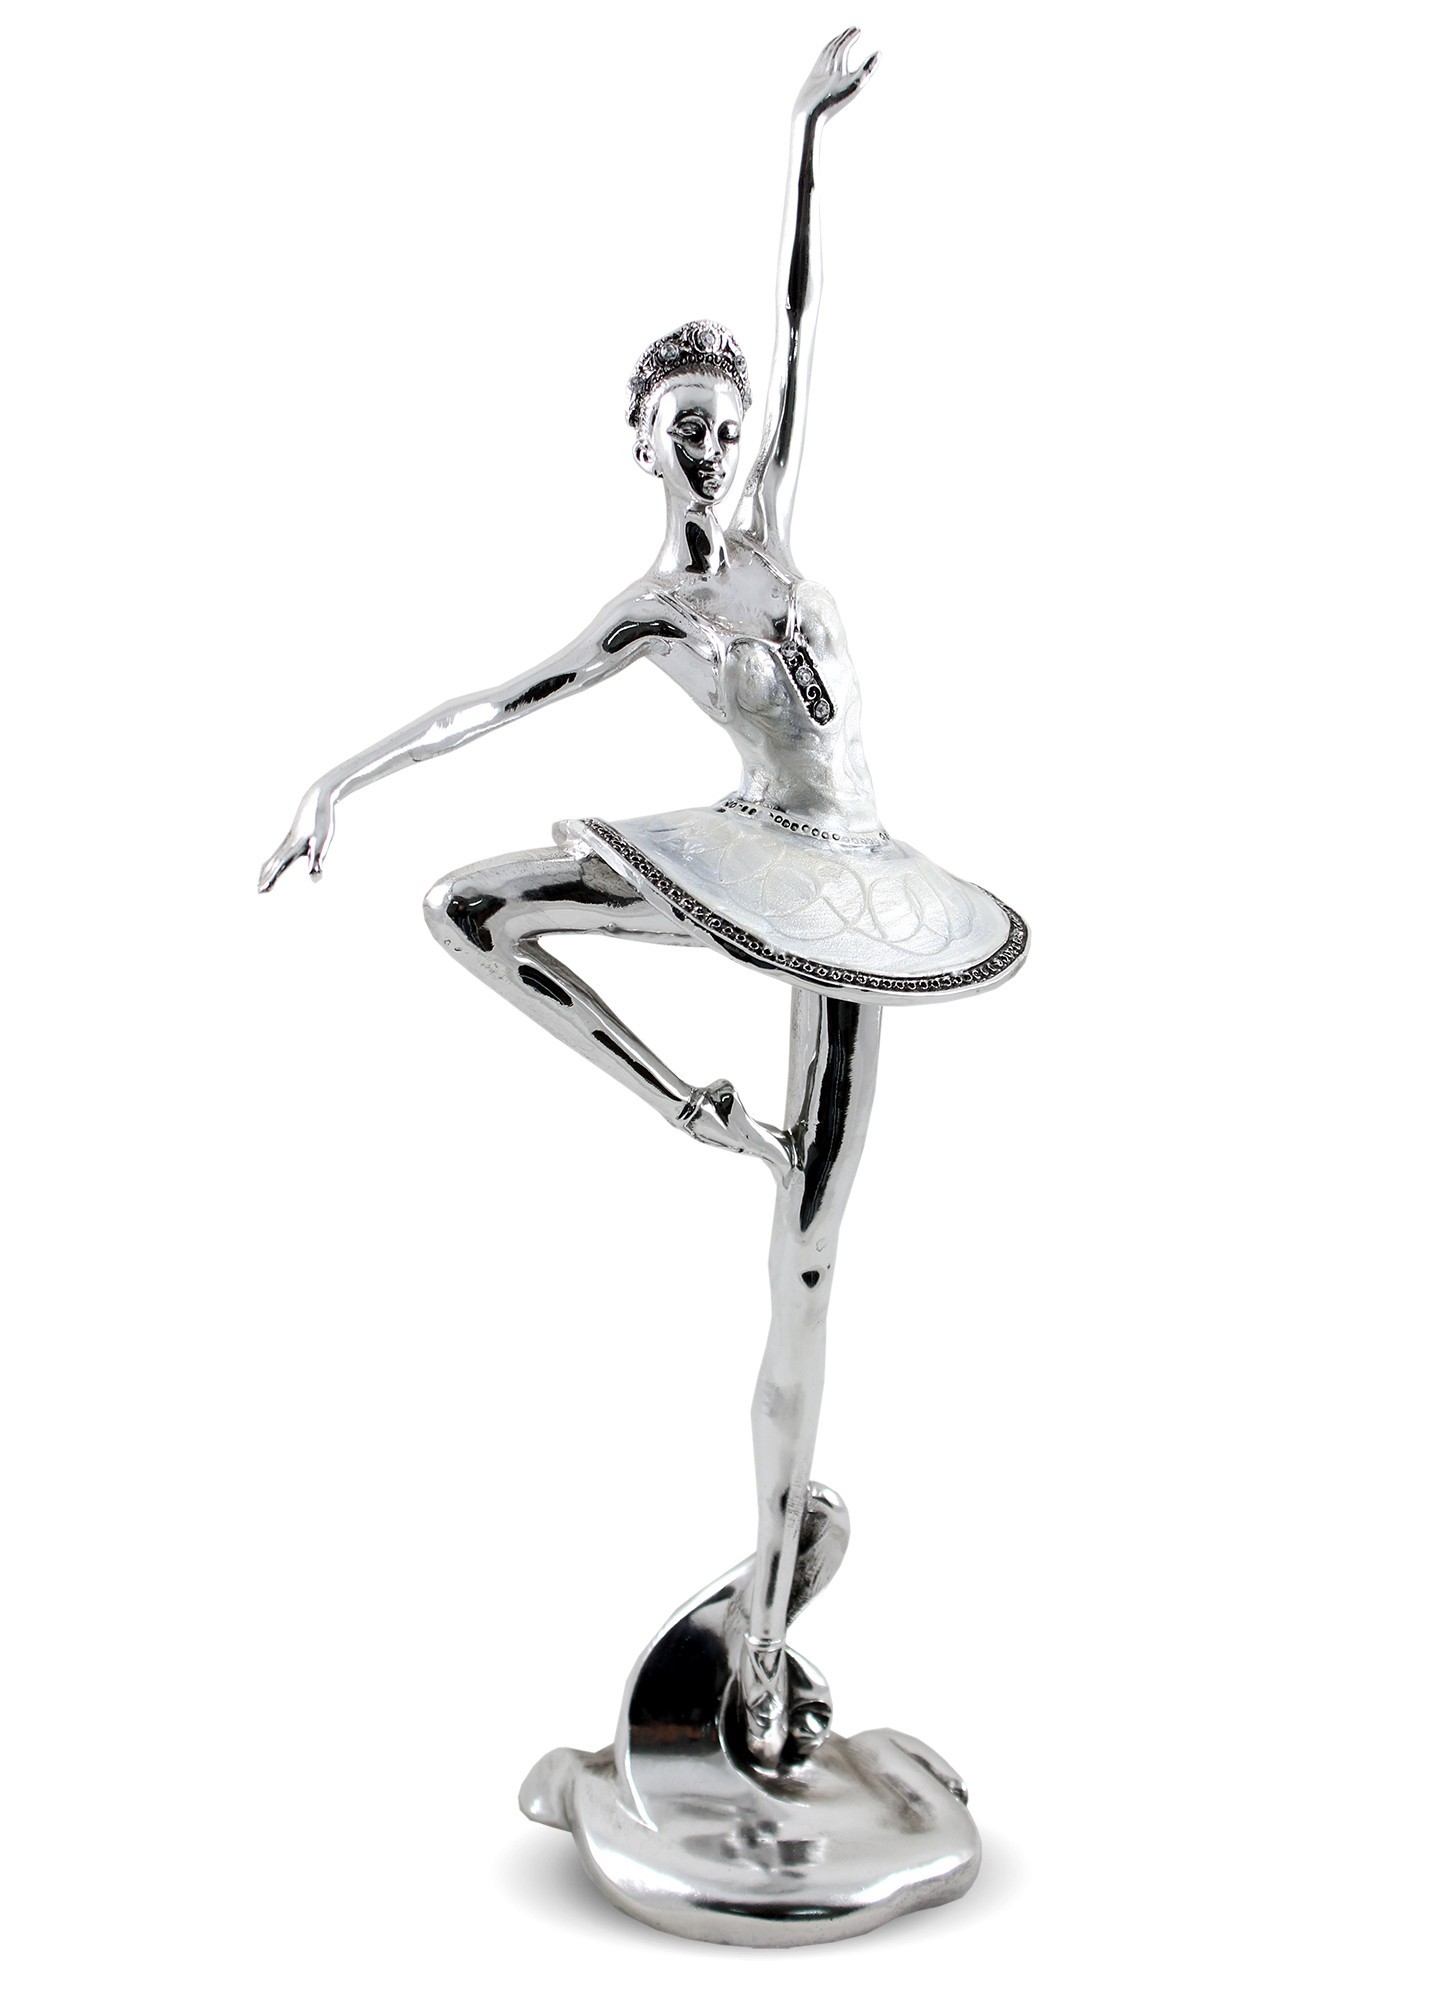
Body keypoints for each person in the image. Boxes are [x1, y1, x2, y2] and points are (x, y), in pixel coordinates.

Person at [260, 30, 1027, 1771]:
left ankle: (761, 1634)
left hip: (858, 893)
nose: (710, 446)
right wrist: (337, 781)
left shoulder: (776, 530)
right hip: (748, 861)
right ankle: (685, 1103)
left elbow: (804, 314)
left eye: (725, 426)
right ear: (636, 443)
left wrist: (805, 134)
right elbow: (487, 703)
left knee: (809, 1260)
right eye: (682, 427)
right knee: (474, 906)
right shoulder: (651, 611)